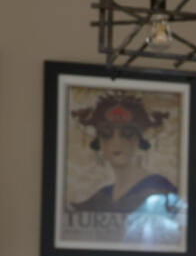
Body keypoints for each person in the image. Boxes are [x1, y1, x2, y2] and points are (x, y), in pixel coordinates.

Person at [69, 92, 184, 244]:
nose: (117, 142)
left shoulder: (160, 194)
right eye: (107, 134)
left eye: (127, 134)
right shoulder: (100, 197)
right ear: (99, 143)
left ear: (138, 141)